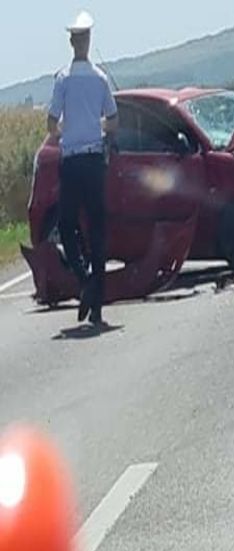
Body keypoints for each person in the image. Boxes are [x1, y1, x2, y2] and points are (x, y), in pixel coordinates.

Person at [47, 11, 118, 327]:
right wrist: (98, 129)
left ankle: (84, 276)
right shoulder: (100, 79)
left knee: (67, 225)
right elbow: (113, 120)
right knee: (98, 230)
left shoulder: (63, 79)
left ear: (71, 42)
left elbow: (51, 124)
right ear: (88, 41)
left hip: (72, 160)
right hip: (93, 160)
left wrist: (65, 132)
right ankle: (97, 304)